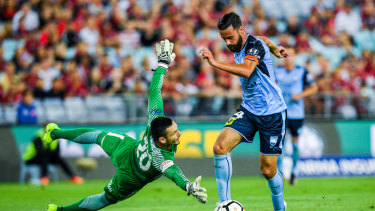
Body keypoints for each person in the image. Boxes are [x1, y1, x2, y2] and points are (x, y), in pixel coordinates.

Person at [46, 40, 207, 211]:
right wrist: (189, 186)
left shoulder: (155, 120)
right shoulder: (161, 158)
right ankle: (59, 208)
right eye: (174, 133)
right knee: (103, 199)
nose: (179, 134)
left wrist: (162, 65)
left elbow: (154, 92)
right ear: (161, 139)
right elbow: (174, 173)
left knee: (96, 135)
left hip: (128, 152)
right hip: (130, 176)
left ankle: (54, 135)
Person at [199, 12, 289, 211]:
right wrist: (274, 48)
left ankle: (280, 207)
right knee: (219, 147)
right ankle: (224, 204)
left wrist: (214, 63)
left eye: (230, 37)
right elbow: (265, 40)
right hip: (248, 109)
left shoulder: (253, 45)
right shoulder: (241, 42)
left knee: (267, 170)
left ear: (241, 30)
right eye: (224, 39)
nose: (228, 43)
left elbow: (248, 70)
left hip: (272, 113)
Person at [274, 47, 318, 185]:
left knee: (296, 145)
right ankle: (279, 172)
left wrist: (300, 95)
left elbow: (314, 88)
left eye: (291, 55)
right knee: (280, 143)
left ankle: (294, 171)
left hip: (296, 114)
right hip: (280, 112)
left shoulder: (302, 71)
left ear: (295, 56)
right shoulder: (277, 71)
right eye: (286, 55)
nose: (288, 58)